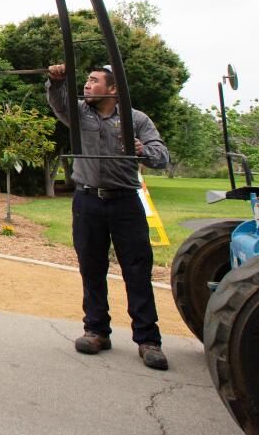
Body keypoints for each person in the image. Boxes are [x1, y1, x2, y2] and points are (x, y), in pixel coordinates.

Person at [46, 63, 171, 370]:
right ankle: (97, 330)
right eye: (86, 80)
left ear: (113, 90)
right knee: (91, 266)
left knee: (137, 270)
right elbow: (58, 103)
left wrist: (144, 151)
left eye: (93, 81)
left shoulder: (136, 119)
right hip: (88, 200)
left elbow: (162, 155)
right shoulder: (80, 114)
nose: (87, 86)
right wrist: (56, 81)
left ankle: (147, 339)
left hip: (125, 202)